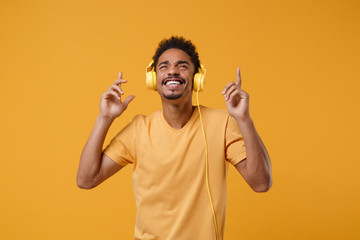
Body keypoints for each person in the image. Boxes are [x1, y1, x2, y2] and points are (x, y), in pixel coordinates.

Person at [77, 36, 272, 240]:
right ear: (153, 80)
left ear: (197, 79)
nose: (172, 71)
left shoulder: (221, 124)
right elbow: (86, 179)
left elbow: (261, 183)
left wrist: (244, 119)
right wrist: (105, 118)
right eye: (164, 66)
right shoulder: (139, 129)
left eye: (182, 66)